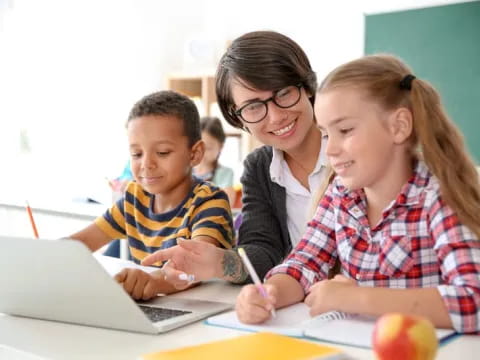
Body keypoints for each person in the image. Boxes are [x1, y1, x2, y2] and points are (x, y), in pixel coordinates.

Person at [234, 54, 480, 333]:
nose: (330, 149)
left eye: (345, 130)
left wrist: (356, 298)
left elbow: (474, 300)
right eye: (326, 132)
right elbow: (304, 262)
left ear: (398, 127)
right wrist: (269, 293)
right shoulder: (341, 194)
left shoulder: (437, 196)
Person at [142, 30, 329, 284]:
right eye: (253, 107)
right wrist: (221, 263)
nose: (275, 117)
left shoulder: (352, 150)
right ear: (238, 117)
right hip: (300, 307)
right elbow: (264, 249)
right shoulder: (260, 167)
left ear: (306, 86)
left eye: (283, 93)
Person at [69, 90, 234, 300]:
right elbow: (81, 243)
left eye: (163, 152)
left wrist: (153, 283)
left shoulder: (209, 201)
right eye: (136, 154)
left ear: (194, 154)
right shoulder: (135, 198)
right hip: (159, 308)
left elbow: (193, 263)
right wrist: (44, 255)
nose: (146, 164)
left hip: (207, 312)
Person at [194, 116, 236, 205]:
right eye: (198, 147)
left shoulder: (225, 173)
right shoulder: (184, 172)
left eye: (208, 148)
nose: (202, 152)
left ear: (220, 147)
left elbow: (226, 204)